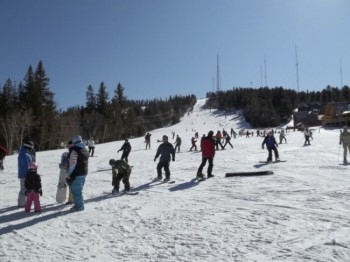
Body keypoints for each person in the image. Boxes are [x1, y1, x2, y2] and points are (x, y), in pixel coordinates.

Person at [66, 135, 89, 211]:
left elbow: (72, 165)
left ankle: (79, 207)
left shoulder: (74, 151)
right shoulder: (84, 149)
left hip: (76, 174)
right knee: (78, 190)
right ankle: (79, 205)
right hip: (84, 173)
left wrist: (69, 174)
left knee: (76, 190)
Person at [18, 141, 34, 207]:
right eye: (31, 147)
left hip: (22, 174)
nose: (31, 149)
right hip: (26, 174)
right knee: (25, 189)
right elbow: (28, 165)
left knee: (23, 188)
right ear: (28, 147)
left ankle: (22, 202)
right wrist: (31, 172)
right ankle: (22, 203)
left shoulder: (22, 153)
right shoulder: (26, 155)